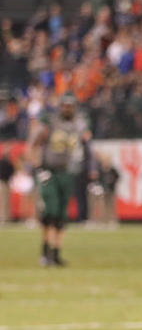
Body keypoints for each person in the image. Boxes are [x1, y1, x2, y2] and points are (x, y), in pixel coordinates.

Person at [28, 93, 89, 266]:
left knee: (62, 215)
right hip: (49, 172)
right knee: (51, 212)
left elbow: (84, 142)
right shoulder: (50, 122)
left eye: (71, 105)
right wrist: (39, 169)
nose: (68, 108)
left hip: (67, 172)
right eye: (65, 105)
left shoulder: (78, 123)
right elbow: (34, 145)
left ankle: (55, 254)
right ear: (60, 106)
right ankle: (45, 252)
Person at [0, 149, 13, 224]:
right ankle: (5, 218)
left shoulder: (2, 162)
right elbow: (12, 171)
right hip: (5, 182)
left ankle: (6, 218)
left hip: (3, 182)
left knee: (5, 201)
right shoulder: (8, 163)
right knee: (5, 201)